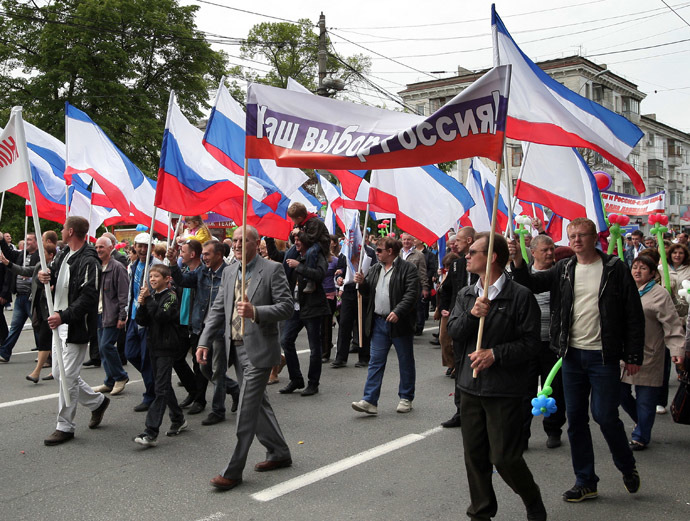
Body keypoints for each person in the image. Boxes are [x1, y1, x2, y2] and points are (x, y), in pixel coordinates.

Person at [511, 217, 644, 502]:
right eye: (571, 236)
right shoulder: (563, 268)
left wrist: (633, 355)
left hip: (603, 356)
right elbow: (531, 284)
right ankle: (585, 481)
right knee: (576, 421)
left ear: (594, 237)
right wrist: (518, 261)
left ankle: (627, 466)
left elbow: (633, 314)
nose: (576, 240)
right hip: (571, 355)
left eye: (581, 235)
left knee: (605, 415)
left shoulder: (614, 268)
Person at [448, 232, 546, 521]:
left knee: (504, 458)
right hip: (470, 386)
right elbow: (454, 332)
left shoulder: (520, 296)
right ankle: (481, 512)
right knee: (475, 456)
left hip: (504, 389)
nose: (466, 255)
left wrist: (496, 354)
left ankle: (532, 498)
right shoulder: (467, 294)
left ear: (491, 257)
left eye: (473, 251)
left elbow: (531, 344)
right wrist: (471, 315)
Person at [199, 226, 293, 491]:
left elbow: (286, 307)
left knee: (246, 408)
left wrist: (256, 311)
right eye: (236, 240)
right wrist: (204, 340)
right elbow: (218, 309)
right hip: (235, 348)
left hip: (261, 351)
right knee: (258, 404)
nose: (238, 244)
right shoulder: (230, 272)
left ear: (257, 242)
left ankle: (233, 470)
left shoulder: (272, 269)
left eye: (244, 240)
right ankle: (279, 451)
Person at [38, 217, 109, 446]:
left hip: (75, 325)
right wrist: (44, 275)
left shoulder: (90, 260)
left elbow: (89, 298)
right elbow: (55, 276)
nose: (60, 231)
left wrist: (64, 315)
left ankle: (65, 426)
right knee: (61, 375)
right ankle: (98, 402)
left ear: (70, 231)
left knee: (67, 377)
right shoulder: (63, 254)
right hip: (59, 322)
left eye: (63, 228)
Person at [168, 240, 239, 424]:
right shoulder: (202, 272)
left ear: (219, 254)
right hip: (202, 328)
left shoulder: (230, 273)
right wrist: (173, 263)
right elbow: (183, 281)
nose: (204, 257)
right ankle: (234, 388)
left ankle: (218, 410)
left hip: (221, 330)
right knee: (204, 367)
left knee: (217, 369)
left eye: (207, 254)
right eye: (203, 254)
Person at [621, 255, 684, 450]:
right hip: (624, 354)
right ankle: (642, 421)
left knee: (646, 399)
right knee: (619, 393)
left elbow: (672, 324)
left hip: (649, 353)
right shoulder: (625, 289)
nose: (637, 271)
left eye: (643, 269)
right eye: (635, 267)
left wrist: (676, 349)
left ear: (653, 274)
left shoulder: (659, 294)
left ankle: (641, 435)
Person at [351, 236, 419, 415]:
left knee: (405, 361)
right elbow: (368, 294)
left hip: (399, 323)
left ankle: (406, 397)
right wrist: (362, 283)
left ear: (390, 251)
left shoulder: (408, 269)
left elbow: (412, 293)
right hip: (379, 321)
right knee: (375, 362)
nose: (376, 253)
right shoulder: (374, 268)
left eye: (379, 250)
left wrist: (398, 311)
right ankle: (369, 400)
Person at [519, 234, 567, 450]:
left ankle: (553, 430)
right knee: (524, 391)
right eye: (545, 249)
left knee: (555, 390)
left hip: (553, 343)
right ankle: (522, 434)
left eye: (552, 249)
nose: (549, 253)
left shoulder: (563, 274)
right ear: (533, 251)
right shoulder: (523, 275)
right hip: (528, 344)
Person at [133, 264, 187, 446]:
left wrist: (149, 301)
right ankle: (178, 418)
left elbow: (162, 316)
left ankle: (150, 431)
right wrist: (142, 304)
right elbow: (142, 320)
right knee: (162, 385)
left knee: (160, 389)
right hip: (153, 345)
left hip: (167, 346)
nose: (153, 279)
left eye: (157, 276)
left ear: (166, 279)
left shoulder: (171, 297)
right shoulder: (152, 297)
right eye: (151, 276)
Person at [279, 230, 329, 396]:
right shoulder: (293, 254)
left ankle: (313, 383)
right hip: (296, 307)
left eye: (298, 239)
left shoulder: (316, 255)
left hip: (312, 307)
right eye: (294, 239)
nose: (296, 242)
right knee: (286, 340)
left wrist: (299, 267)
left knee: (315, 348)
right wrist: (270, 239)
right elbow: (277, 256)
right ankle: (296, 379)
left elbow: (320, 274)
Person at [440, 227, 478, 428]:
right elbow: (447, 289)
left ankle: (477, 410)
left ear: (470, 240)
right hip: (460, 319)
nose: (455, 244)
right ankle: (460, 410)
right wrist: (446, 308)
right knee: (460, 363)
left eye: (460, 241)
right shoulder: (457, 265)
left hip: (479, 319)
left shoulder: (484, 262)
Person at [0, 244, 56, 382]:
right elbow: (25, 270)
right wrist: (8, 264)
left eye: (43, 253)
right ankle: (52, 367)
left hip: (51, 309)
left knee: (47, 338)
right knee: (43, 335)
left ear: (51, 255)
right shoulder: (39, 265)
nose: (40, 255)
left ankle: (39, 371)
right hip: (38, 306)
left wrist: (50, 284)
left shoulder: (55, 268)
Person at [125, 233, 162, 412]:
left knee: (146, 359)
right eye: (139, 245)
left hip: (148, 318)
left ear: (152, 248)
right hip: (133, 315)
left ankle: (150, 395)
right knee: (130, 353)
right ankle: (154, 380)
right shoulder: (134, 265)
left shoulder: (158, 266)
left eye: (145, 246)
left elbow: (163, 290)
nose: (141, 249)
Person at [91, 237, 129, 396]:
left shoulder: (117, 267)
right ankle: (109, 380)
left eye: (102, 247)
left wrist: (122, 316)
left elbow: (123, 294)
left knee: (106, 346)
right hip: (99, 313)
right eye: (97, 247)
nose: (98, 250)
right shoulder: (96, 266)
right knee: (102, 348)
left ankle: (120, 377)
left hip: (112, 314)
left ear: (111, 248)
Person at [0, 233, 41, 362]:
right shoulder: (20, 255)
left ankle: (44, 353)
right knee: (15, 327)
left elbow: (37, 273)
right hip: (20, 297)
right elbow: (8, 253)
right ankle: (4, 353)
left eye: (30, 240)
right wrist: (1, 240)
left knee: (37, 326)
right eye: (26, 240)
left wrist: (29, 278)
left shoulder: (40, 256)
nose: (27, 242)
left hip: (31, 297)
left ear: (36, 242)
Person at [287, 202, 330, 293]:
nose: (293, 221)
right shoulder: (299, 224)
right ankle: (285, 277)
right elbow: (294, 238)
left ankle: (310, 281)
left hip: (319, 243)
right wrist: (293, 233)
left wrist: (299, 233)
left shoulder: (314, 222)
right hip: (307, 242)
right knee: (289, 253)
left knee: (311, 252)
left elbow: (310, 240)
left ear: (299, 218)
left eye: (293, 219)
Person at [400, 233, 429, 335]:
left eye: (408, 240)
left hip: (414, 286)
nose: (406, 242)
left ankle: (417, 327)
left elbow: (422, 272)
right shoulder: (398, 253)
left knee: (416, 307)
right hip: (400, 286)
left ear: (412, 241)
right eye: (404, 240)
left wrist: (425, 288)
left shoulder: (419, 255)